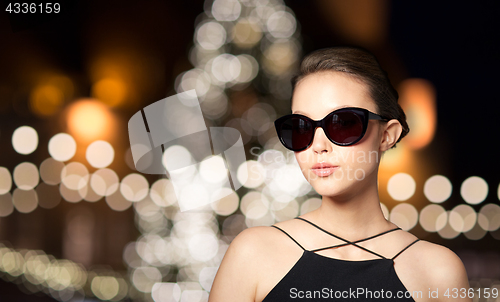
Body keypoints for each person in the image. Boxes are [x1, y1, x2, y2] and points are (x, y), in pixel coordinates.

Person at [208, 46, 471, 302]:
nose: (318, 145)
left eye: (344, 123)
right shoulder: (253, 254)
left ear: (387, 135)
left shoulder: (438, 272)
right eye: (301, 127)